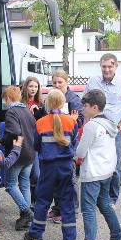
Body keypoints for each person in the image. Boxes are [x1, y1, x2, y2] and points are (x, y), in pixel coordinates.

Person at [69, 89, 121, 240]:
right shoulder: (109, 123)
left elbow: (80, 152)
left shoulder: (91, 126)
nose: (83, 109)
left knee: (88, 210)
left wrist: (72, 153)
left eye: (85, 106)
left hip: (93, 173)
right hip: (107, 171)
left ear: (94, 107)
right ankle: (117, 238)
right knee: (105, 204)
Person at [24, 89, 78, 240]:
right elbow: (74, 142)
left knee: (42, 200)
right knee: (67, 202)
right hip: (66, 166)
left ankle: (36, 234)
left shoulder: (40, 123)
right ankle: (70, 239)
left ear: (47, 104)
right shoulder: (71, 122)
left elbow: (36, 145)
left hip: (48, 168)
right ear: (63, 103)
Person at [85, 53, 121, 205]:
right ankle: (97, 196)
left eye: (109, 66)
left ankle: (112, 199)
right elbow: (85, 105)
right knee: (95, 163)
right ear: (100, 66)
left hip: (113, 132)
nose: (106, 70)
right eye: (104, 66)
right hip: (95, 131)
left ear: (116, 66)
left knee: (114, 165)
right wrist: (87, 124)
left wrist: (120, 126)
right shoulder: (93, 81)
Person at [46, 69, 83, 223]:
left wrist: (68, 120)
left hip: (68, 146)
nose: (57, 85)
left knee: (69, 180)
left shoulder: (73, 99)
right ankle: (58, 208)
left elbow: (79, 121)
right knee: (56, 180)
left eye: (60, 82)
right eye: (54, 82)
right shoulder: (51, 98)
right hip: (53, 145)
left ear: (66, 82)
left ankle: (72, 210)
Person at [0, 86, 37, 230]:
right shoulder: (27, 110)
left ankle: (27, 212)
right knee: (25, 184)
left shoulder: (11, 112)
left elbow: (14, 131)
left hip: (18, 153)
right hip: (30, 153)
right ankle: (25, 218)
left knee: (10, 185)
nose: (5, 102)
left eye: (5, 99)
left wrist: (3, 141)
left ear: (8, 98)